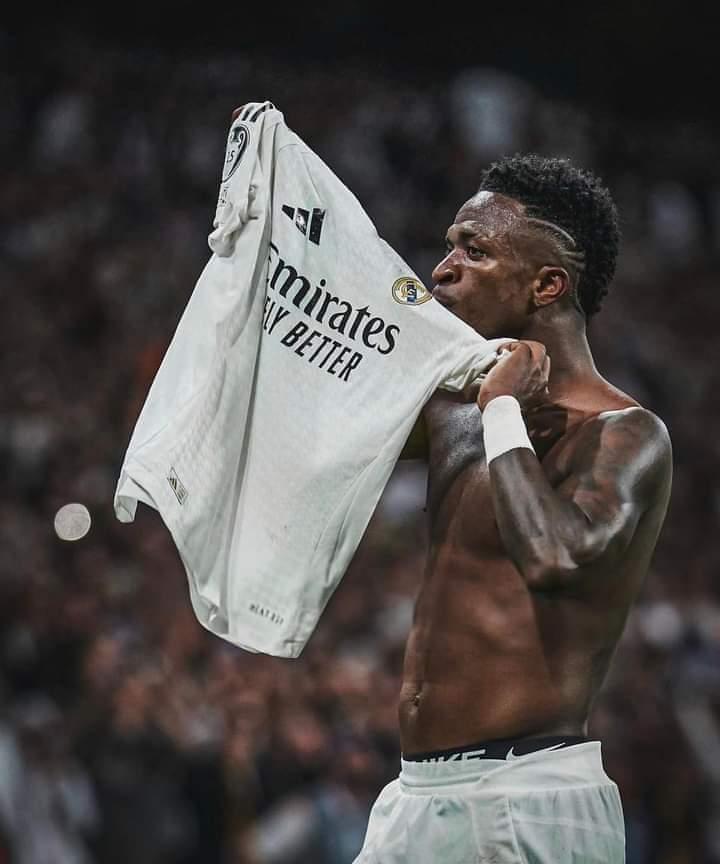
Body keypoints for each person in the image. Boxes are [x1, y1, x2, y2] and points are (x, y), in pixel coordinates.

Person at [353, 154, 672, 863]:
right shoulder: (451, 408)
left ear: (547, 284)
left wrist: (501, 411)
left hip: (531, 796)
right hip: (412, 797)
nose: (443, 270)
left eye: (475, 250)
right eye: (449, 247)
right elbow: (317, 434)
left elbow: (555, 556)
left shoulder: (626, 434)